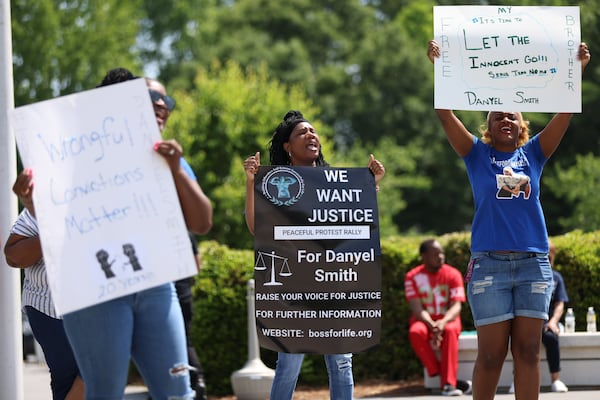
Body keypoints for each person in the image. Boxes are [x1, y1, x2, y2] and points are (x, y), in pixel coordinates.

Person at [427, 40, 590, 400]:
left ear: (521, 126)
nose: (504, 119)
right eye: (497, 115)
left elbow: (564, 112)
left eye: (511, 115)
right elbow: (444, 113)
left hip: (533, 265)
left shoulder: (535, 153)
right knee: (490, 356)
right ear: (487, 126)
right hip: (489, 267)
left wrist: (576, 68)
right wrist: (441, 66)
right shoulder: (475, 153)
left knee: (530, 353)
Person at [60, 68, 213, 399]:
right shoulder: (76, 157)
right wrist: (36, 202)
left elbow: (201, 223)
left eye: (166, 100)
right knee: (105, 393)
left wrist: (175, 171)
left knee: (179, 393)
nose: (161, 105)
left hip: (157, 285)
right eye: (150, 98)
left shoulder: (170, 159)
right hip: (98, 290)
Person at [243, 110, 385, 400]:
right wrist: (250, 182)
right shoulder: (276, 183)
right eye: (301, 133)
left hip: (333, 284)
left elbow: (357, 228)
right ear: (287, 146)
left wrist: (371, 186)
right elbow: (258, 228)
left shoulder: (338, 183)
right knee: (289, 363)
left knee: (342, 361)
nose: (311, 136)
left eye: (313, 131)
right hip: (293, 288)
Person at [4, 170, 85, 400]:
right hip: (50, 307)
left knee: (99, 371)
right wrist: (54, 231)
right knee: (70, 377)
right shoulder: (50, 196)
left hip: (101, 305)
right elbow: (13, 256)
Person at [405, 239, 471, 396]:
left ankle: (448, 384)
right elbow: (416, 307)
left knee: (449, 331)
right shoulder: (412, 276)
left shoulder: (453, 274)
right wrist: (431, 323)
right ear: (424, 256)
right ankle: (438, 372)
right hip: (424, 319)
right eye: (435, 254)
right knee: (416, 332)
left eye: (442, 253)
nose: (440, 257)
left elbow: (456, 306)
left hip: (449, 319)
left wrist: (442, 322)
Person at [508, 240, 570, 394]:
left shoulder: (556, 277)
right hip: (527, 321)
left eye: (550, 256)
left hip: (548, 323)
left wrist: (553, 322)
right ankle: (517, 380)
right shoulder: (525, 276)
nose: (547, 258)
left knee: (551, 338)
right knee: (518, 341)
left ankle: (556, 379)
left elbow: (560, 303)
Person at [174, 232, 208, 400]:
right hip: (184, 293)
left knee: (168, 343)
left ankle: (182, 385)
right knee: (185, 340)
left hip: (168, 297)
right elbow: (197, 265)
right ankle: (198, 381)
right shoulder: (185, 233)